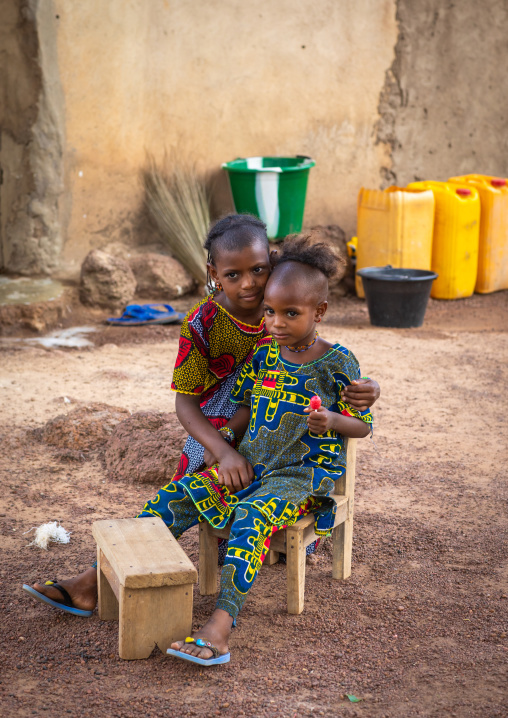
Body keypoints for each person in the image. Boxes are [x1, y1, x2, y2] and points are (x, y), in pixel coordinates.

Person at [23, 217, 379, 619]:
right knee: (187, 485)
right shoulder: (206, 324)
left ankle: (236, 592)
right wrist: (223, 445)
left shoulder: (291, 310)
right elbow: (190, 404)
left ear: (273, 263)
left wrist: (369, 392)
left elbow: (346, 384)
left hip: (292, 458)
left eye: (258, 270)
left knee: (251, 508)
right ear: (214, 275)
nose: (249, 284)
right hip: (219, 423)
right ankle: (94, 580)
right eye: (233, 274)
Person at [161, 234, 374, 664]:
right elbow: (242, 409)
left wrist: (333, 420)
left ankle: (221, 623)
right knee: (177, 494)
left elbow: (362, 427)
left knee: (252, 516)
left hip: (300, 477)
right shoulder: (264, 355)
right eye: (271, 312)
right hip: (254, 464)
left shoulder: (338, 363)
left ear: (320, 312)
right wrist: (222, 448)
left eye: (290, 314)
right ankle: (100, 579)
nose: (275, 323)